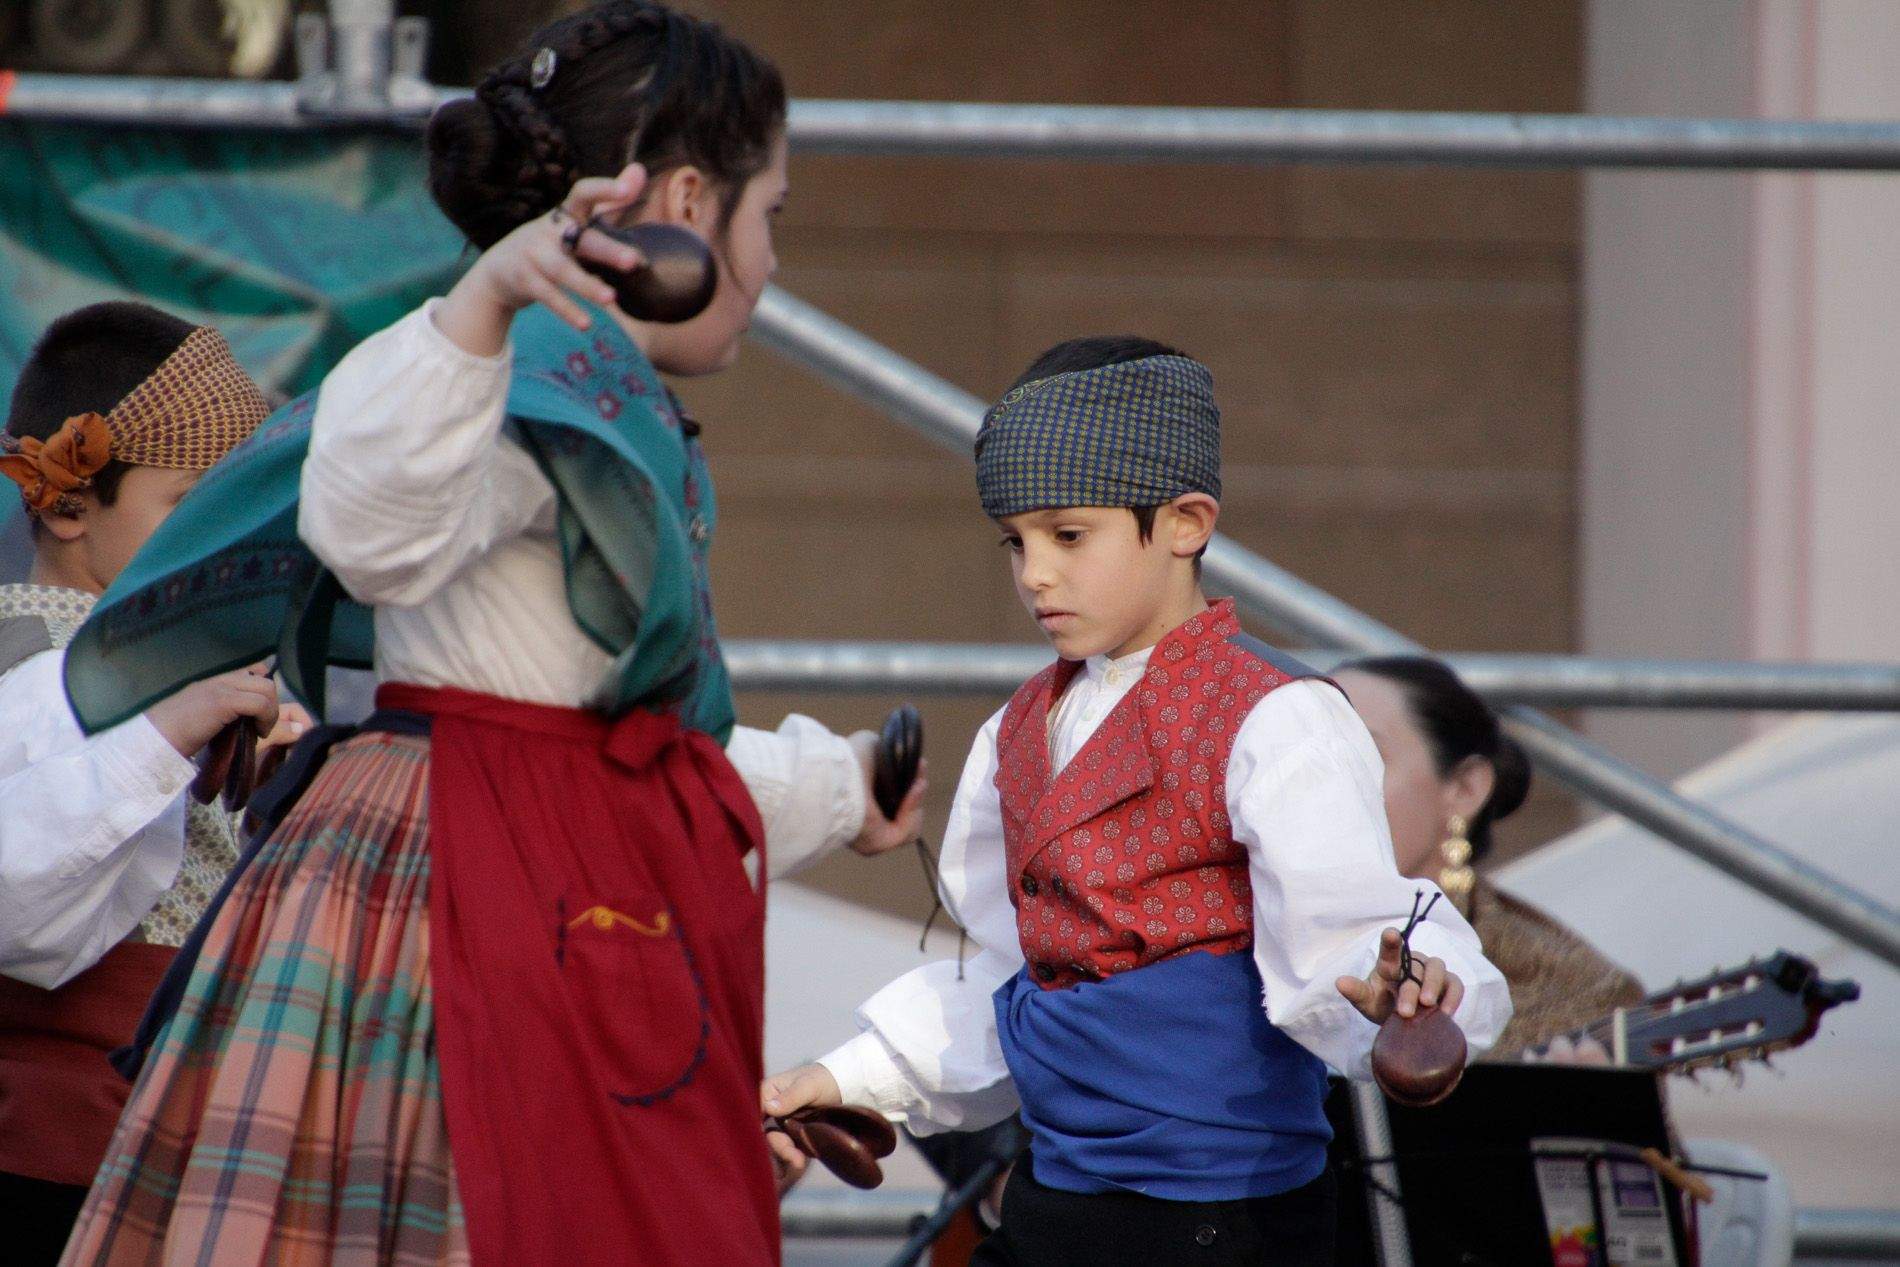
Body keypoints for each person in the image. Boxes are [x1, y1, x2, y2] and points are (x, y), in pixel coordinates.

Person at [59, 5, 922, 1264]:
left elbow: (628, 752)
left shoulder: (583, 401)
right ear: (687, 197)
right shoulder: (512, 376)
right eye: (769, 213)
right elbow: (366, 532)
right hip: (468, 898)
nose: (773, 261)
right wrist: (481, 306)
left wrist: (841, 786)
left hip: (524, 861)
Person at [762, 336, 1513, 1267]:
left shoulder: (1276, 717)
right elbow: (1008, 979)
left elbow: (1351, 934)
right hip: (1055, 1201)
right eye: (1016, 541)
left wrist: (1408, 986)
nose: (1035, 572)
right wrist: (843, 1075)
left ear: (1187, 521)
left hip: (1220, 1227)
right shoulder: (1019, 729)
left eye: (1068, 535)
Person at [0, 302, 284, 1263]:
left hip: (146, 1133)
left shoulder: (189, 667)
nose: (221, 543)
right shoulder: (27, 662)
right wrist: (166, 729)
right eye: (188, 507)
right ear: (68, 502)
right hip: (46, 1147)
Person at [1333, 655, 1645, 1059]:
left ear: (1465, 788)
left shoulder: (1576, 991)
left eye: (1361, 755)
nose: (1322, 788)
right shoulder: (1241, 936)